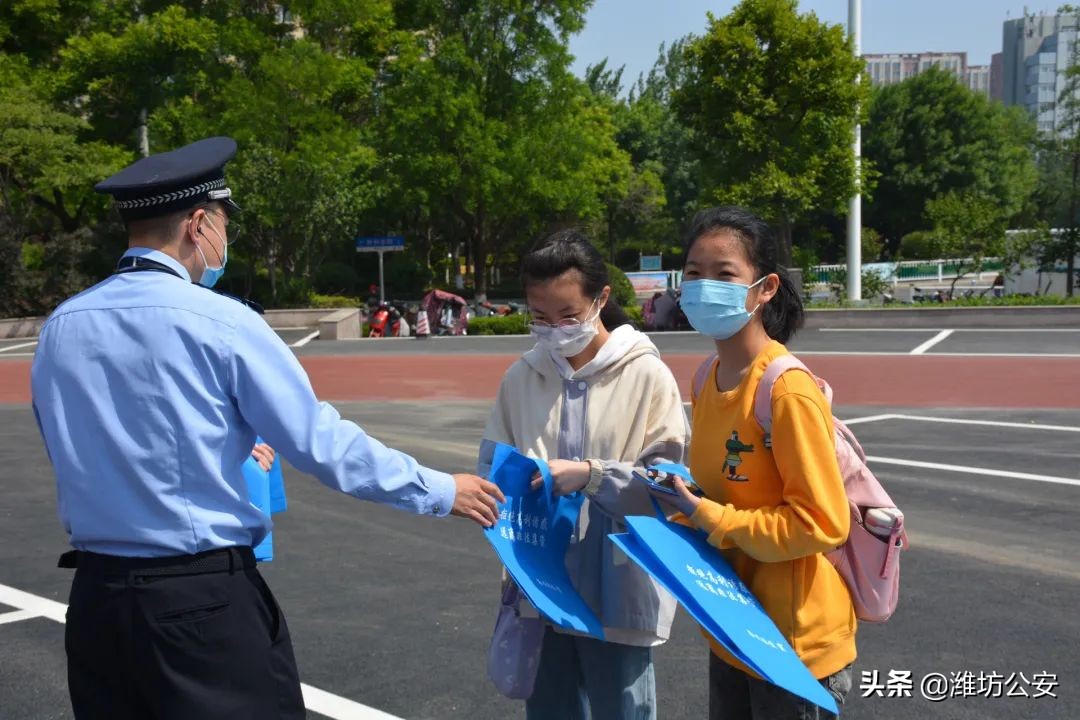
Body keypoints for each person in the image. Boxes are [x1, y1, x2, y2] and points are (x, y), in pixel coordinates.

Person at [30, 136, 504, 720]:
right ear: (197, 224)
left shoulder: (61, 325)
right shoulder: (221, 321)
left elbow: (72, 445)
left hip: (98, 601)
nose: (225, 240)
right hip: (196, 603)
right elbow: (318, 442)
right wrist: (437, 490)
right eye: (225, 224)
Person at [649, 207, 854, 720]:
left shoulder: (785, 390)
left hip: (795, 645)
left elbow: (823, 523)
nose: (702, 287)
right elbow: (723, 494)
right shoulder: (706, 377)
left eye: (724, 274)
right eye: (693, 273)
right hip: (734, 625)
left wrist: (712, 518)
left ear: (765, 289)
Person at [479, 229, 690, 719]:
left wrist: (592, 474)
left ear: (601, 299)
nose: (555, 329)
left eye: (568, 315)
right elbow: (491, 466)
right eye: (539, 317)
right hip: (541, 587)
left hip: (617, 586)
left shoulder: (646, 375)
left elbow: (670, 485)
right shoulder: (522, 377)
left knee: (623, 709)